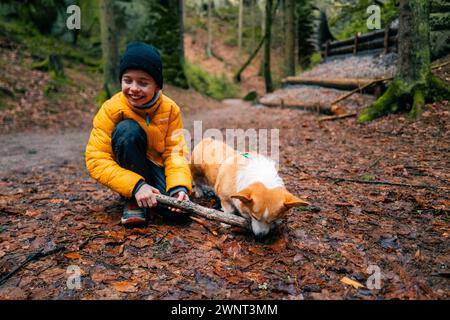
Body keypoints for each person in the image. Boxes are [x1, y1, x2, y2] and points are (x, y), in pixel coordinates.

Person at [85, 42, 192, 227]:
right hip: (129, 168)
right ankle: (134, 199)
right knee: (127, 130)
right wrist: (136, 185)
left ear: (157, 86)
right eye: (128, 80)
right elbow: (96, 159)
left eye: (143, 83)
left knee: (178, 214)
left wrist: (178, 186)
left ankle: (157, 195)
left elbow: (175, 152)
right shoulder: (111, 108)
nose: (134, 88)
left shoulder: (170, 109)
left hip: (156, 166)